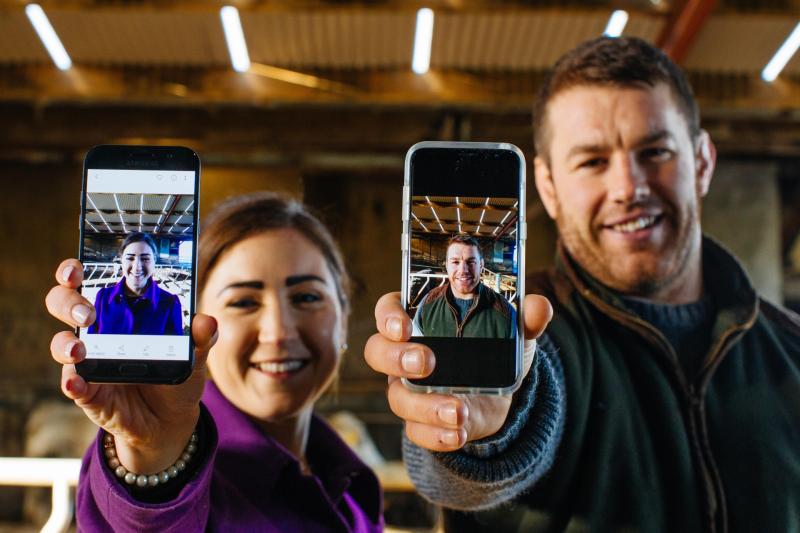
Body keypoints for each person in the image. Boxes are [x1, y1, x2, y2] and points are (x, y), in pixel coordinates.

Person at [365, 36, 800, 532]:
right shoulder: (532, 334)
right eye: (592, 161)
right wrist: (482, 433)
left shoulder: (790, 347)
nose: (628, 188)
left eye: (655, 151)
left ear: (701, 162)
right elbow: (464, 467)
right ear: (547, 186)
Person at [46, 193, 383, 532]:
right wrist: (147, 453)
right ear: (199, 323)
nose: (278, 332)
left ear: (344, 315)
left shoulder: (350, 479)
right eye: (243, 302)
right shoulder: (176, 471)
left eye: (307, 297)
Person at [412, 234, 515, 338]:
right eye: (455, 262)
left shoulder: (505, 313)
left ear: (481, 265)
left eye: (471, 262)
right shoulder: (427, 305)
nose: (463, 270)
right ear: (447, 265)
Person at [87, 232, 183, 335]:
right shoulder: (103, 297)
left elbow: (175, 348)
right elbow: (92, 343)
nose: (137, 267)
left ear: (154, 261)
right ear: (121, 260)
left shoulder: (170, 303)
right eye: (130, 258)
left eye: (145, 259)